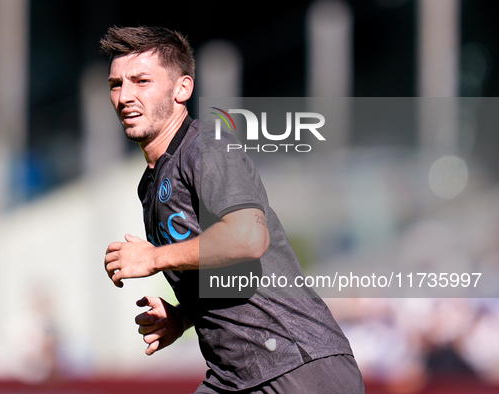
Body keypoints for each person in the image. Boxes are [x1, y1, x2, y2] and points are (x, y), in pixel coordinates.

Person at [102, 26, 365, 393]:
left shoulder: (207, 145)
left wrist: (154, 258)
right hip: (237, 377)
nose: (125, 95)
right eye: (116, 84)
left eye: (141, 80)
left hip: (296, 367)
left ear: (182, 89)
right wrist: (182, 317)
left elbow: (247, 238)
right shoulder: (152, 183)